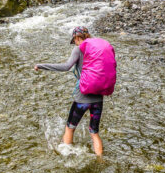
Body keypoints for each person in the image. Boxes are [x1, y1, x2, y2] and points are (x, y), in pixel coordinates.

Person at [34, 26, 109, 156]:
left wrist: (41, 66)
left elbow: (66, 66)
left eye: (74, 40)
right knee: (94, 133)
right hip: (98, 97)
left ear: (77, 38)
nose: (74, 42)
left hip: (82, 97)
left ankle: (66, 156)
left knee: (70, 128)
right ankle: (100, 160)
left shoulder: (79, 49)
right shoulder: (98, 50)